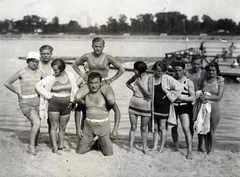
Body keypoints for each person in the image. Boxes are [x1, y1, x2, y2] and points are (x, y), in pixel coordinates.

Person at [72, 37, 125, 138]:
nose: (98, 49)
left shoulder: (108, 57)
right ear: (92, 46)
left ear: (103, 47)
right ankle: (85, 115)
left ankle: (103, 116)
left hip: (104, 82)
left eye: (100, 46)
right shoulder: (87, 56)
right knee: (77, 97)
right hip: (90, 82)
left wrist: (111, 80)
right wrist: (83, 75)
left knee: (111, 100)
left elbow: (121, 69)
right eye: (96, 46)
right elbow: (75, 65)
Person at [35, 59, 78, 155]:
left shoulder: (70, 75)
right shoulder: (51, 78)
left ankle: (61, 146)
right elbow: (38, 86)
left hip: (67, 104)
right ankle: (54, 147)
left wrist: (72, 101)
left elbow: (75, 88)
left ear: (62, 69)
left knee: (63, 127)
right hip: (54, 104)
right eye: (53, 70)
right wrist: (48, 96)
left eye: (56, 70)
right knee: (54, 126)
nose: (54, 72)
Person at [4, 51, 42, 155]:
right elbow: (7, 83)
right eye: (33, 61)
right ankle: (31, 147)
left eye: (37, 62)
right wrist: (18, 92)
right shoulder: (21, 72)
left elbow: (50, 81)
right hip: (25, 102)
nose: (35, 64)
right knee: (37, 123)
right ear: (28, 61)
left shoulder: (40, 72)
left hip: (38, 101)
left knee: (36, 124)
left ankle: (35, 144)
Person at [76, 72, 120, 156]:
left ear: (100, 83)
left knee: (108, 154)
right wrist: (78, 128)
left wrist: (115, 129)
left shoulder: (105, 95)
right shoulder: (85, 95)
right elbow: (78, 110)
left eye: (96, 83)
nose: (94, 85)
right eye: (91, 83)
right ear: (88, 83)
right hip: (88, 128)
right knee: (79, 151)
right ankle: (94, 142)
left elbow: (117, 112)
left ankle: (100, 141)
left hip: (103, 128)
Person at [148, 61, 183, 153]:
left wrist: (170, 94)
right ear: (154, 70)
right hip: (153, 107)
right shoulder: (151, 78)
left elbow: (179, 87)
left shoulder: (167, 78)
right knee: (155, 127)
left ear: (164, 71)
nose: (159, 73)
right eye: (157, 70)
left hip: (164, 106)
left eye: (161, 71)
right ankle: (155, 146)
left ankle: (161, 147)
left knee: (162, 127)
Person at [126, 61, 151, 154]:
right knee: (133, 127)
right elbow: (127, 83)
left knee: (144, 128)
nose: (133, 70)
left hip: (145, 106)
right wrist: (133, 89)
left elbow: (150, 95)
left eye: (135, 69)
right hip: (133, 105)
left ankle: (145, 148)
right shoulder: (135, 77)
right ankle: (130, 148)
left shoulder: (149, 79)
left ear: (139, 70)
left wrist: (140, 85)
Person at [199, 61, 225, 154]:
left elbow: (219, 97)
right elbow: (201, 93)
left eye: (213, 70)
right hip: (204, 107)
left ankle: (212, 150)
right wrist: (201, 98)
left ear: (217, 70)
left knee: (213, 130)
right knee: (205, 130)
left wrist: (206, 97)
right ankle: (206, 149)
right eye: (209, 70)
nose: (211, 72)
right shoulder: (204, 81)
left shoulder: (220, 81)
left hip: (214, 107)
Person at [172, 62, 195, 159]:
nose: (177, 72)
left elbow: (193, 98)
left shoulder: (188, 82)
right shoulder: (171, 81)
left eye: (180, 70)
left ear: (183, 70)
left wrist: (179, 97)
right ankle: (176, 146)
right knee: (173, 127)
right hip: (173, 106)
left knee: (186, 128)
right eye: (176, 70)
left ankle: (190, 150)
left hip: (184, 106)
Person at [186, 56, 208, 151]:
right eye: (194, 63)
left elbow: (212, 80)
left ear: (201, 64)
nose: (196, 65)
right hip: (188, 100)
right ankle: (189, 145)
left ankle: (200, 146)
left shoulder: (204, 73)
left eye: (198, 63)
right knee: (190, 124)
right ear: (191, 63)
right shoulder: (187, 72)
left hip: (199, 100)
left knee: (200, 123)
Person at [39, 45, 54, 146]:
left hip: (51, 94)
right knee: (37, 120)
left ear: (51, 54)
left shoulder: (54, 65)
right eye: (43, 54)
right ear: (40, 54)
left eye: (47, 54)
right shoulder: (37, 64)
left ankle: (52, 142)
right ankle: (35, 141)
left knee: (51, 120)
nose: (45, 56)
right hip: (39, 93)